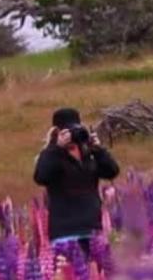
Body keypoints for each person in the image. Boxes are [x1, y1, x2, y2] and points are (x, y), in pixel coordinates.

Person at [34, 108, 120, 256]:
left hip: (92, 227)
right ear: (57, 132)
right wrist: (57, 148)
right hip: (65, 231)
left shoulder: (87, 154)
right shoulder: (51, 154)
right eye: (68, 131)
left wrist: (98, 150)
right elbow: (41, 176)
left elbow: (112, 171)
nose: (72, 136)